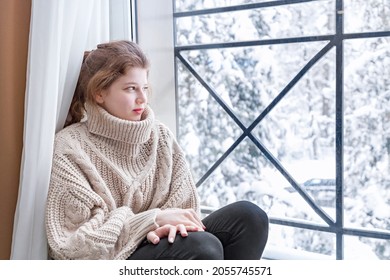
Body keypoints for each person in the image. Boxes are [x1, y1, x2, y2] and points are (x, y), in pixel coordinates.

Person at [45, 40, 269, 260]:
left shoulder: (159, 135)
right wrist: (150, 222)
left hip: (158, 243)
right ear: (99, 93)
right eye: (131, 89)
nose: (143, 98)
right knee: (203, 247)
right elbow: (72, 246)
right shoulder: (70, 147)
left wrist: (163, 227)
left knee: (250, 217)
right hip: (113, 257)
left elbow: (185, 208)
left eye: (144, 87)